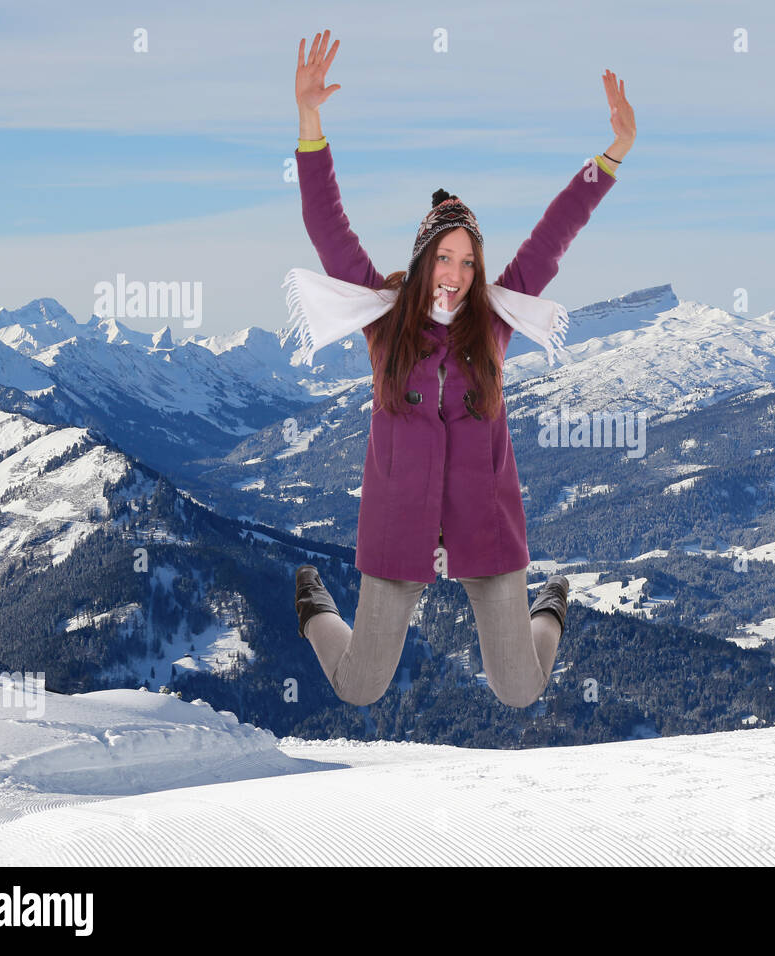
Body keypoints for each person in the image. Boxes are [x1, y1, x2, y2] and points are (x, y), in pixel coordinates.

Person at [288, 30, 636, 709]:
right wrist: (310, 123)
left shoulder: (495, 324)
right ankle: (312, 604)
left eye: (468, 261)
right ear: (423, 262)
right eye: (444, 259)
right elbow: (328, 228)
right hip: (399, 530)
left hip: (486, 531)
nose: (456, 274)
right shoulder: (386, 324)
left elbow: (555, 231)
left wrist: (613, 153)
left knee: (518, 691)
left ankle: (551, 605)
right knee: (359, 687)